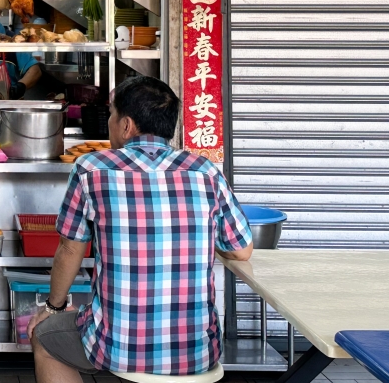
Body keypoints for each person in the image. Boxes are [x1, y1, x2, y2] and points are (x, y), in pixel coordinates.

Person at [28, 76, 254, 383]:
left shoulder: (91, 169)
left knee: (44, 337)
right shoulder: (206, 172)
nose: (109, 122)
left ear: (126, 125)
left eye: (111, 114)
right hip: (197, 351)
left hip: (116, 347)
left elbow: (70, 250)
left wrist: (53, 308)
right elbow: (241, 250)